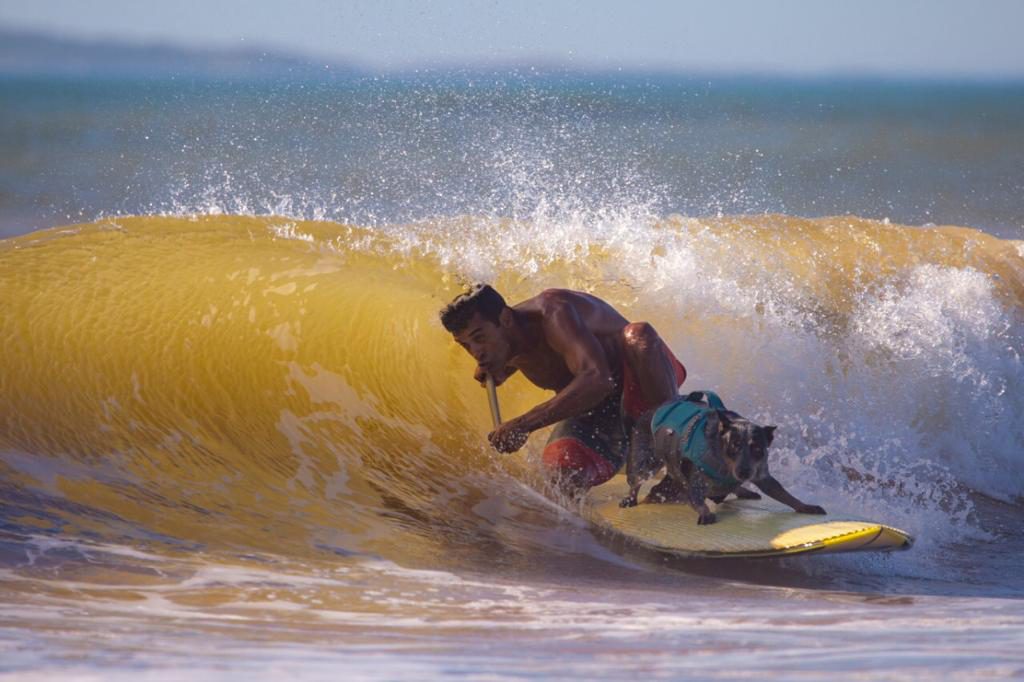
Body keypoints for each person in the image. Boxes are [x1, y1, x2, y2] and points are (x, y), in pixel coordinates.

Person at [439, 284, 688, 495]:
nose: (475, 352)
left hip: (642, 384)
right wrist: (499, 367)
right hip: (593, 409)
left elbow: (598, 379)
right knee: (562, 477)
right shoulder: (502, 346)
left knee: (638, 334)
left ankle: (677, 463)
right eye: (465, 345)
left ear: (505, 319)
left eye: (479, 338)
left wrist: (523, 424)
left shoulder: (554, 312)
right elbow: (545, 355)